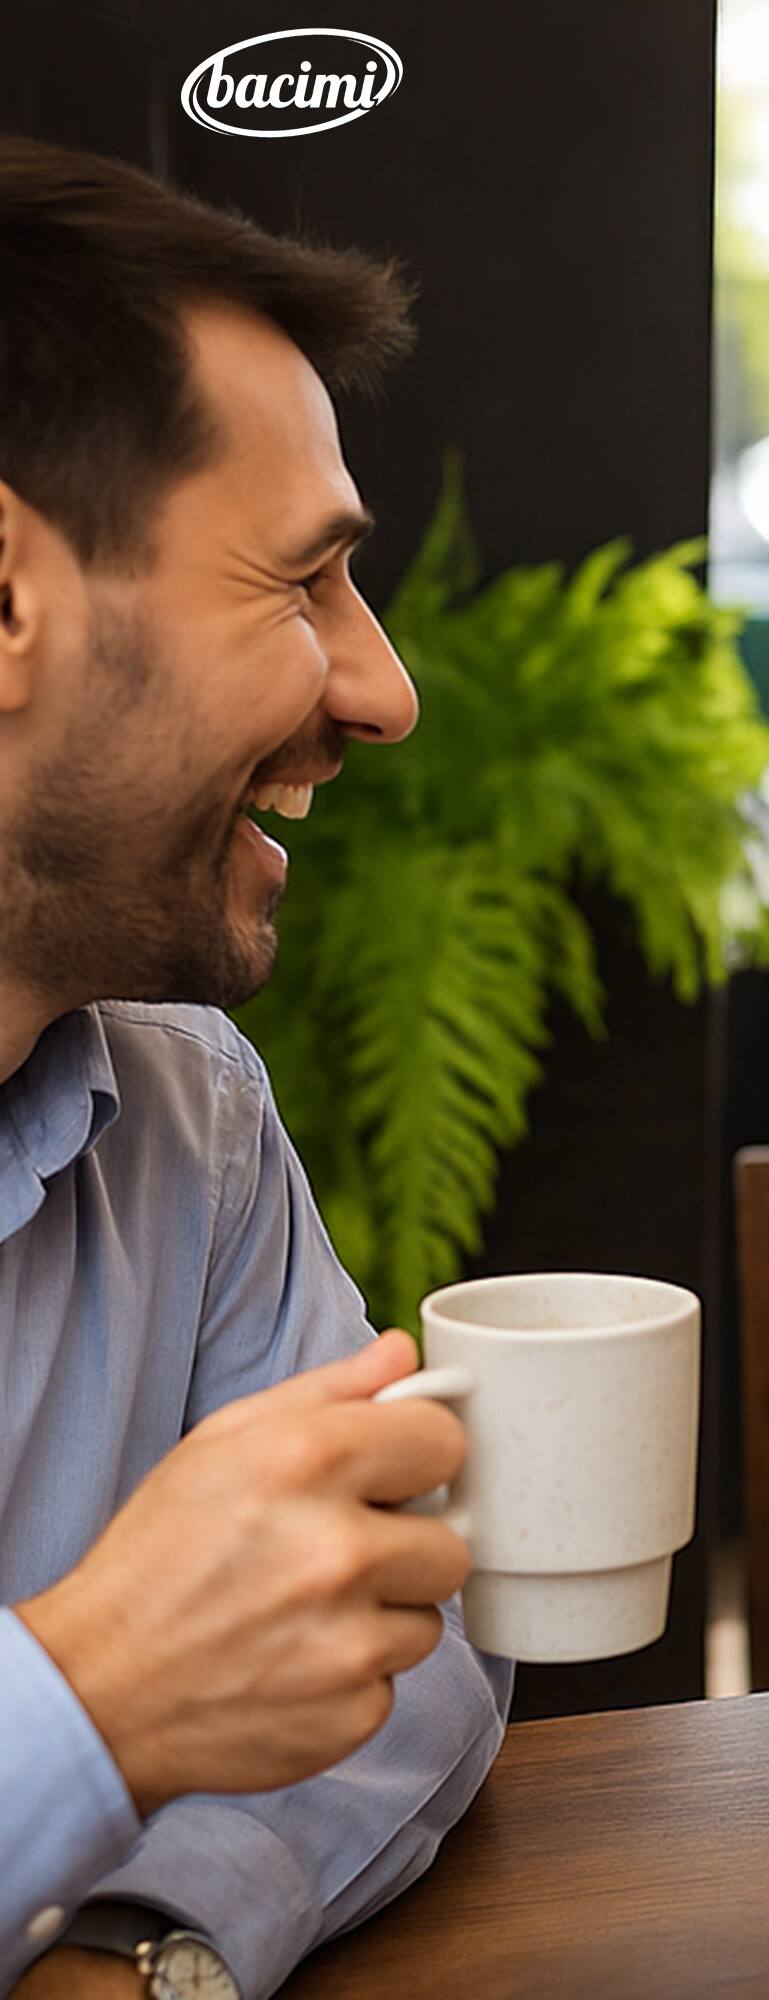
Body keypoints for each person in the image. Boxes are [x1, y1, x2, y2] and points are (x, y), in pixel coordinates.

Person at [0, 138, 509, 1998]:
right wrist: (91, 1702)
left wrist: (138, 1941)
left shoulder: (187, 1111)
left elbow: (408, 1636)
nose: (382, 693)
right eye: (304, 583)